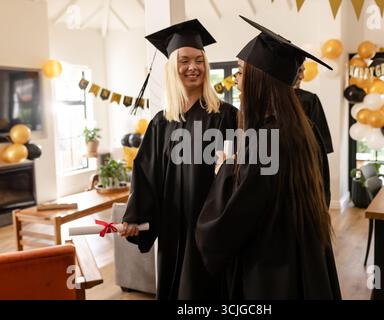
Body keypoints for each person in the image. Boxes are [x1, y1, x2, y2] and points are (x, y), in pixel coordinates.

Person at [196, 16, 341, 300]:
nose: (238, 81)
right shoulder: (304, 128)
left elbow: (235, 217)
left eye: (241, 72)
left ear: (259, 79)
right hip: (306, 257)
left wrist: (224, 171)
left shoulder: (264, 139)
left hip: (271, 268)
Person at [120, 19, 237, 300]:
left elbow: (239, 171)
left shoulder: (227, 115)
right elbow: (146, 173)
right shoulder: (162, 122)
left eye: (199, 60)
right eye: (184, 61)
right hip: (173, 225)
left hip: (210, 225)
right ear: (173, 67)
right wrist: (136, 214)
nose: (193, 67)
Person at [294, 64, 333, 207]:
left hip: (303, 176)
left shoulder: (309, 100)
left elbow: (321, 146)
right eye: (299, 70)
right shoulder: (261, 101)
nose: (302, 76)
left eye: (303, 71)